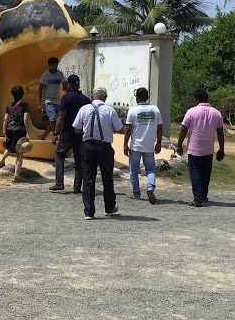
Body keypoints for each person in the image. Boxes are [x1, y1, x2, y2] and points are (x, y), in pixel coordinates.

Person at [71, 86, 126, 220]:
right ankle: (109, 207)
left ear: (92, 96)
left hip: (88, 146)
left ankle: (89, 211)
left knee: (88, 178)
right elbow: (120, 128)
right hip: (104, 146)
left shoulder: (84, 109)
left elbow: (76, 128)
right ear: (104, 97)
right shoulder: (109, 110)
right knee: (107, 177)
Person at [176, 88, 225, 207]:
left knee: (195, 173)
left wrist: (179, 145)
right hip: (208, 149)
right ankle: (203, 195)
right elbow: (220, 132)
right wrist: (221, 148)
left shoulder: (192, 111)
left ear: (196, 99)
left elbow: (184, 129)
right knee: (205, 173)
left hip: (194, 148)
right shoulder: (216, 113)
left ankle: (197, 198)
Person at [123, 87, 163, 204]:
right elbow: (160, 127)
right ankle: (150, 188)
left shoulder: (133, 110)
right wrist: (159, 143)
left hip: (136, 146)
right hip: (149, 146)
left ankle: (136, 193)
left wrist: (125, 144)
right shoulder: (155, 110)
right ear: (148, 97)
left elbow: (128, 129)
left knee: (134, 170)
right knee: (150, 169)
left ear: (137, 98)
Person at [50, 74, 89, 193]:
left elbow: (61, 116)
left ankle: (59, 183)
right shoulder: (86, 99)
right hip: (80, 134)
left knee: (59, 155)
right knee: (79, 159)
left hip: (67, 133)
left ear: (69, 84)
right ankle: (77, 186)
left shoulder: (66, 98)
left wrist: (56, 133)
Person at [0, 84, 31, 182]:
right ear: (22, 94)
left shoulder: (9, 105)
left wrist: (4, 131)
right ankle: (16, 175)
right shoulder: (25, 106)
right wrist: (28, 132)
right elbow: (25, 119)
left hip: (9, 130)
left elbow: (5, 119)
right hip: (19, 131)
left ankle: (1, 162)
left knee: (9, 147)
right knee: (19, 153)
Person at [37, 57, 66, 140]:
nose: (55, 67)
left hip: (57, 100)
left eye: (56, 65)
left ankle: (43, 137)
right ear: (49, 65)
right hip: (48, 100)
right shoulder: (45, 75)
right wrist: (39, 104)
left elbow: (65, 84)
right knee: (53, 119)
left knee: (55, 120)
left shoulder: (60, 74)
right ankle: (56, 136)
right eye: (53, 65)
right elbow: (40, 90)